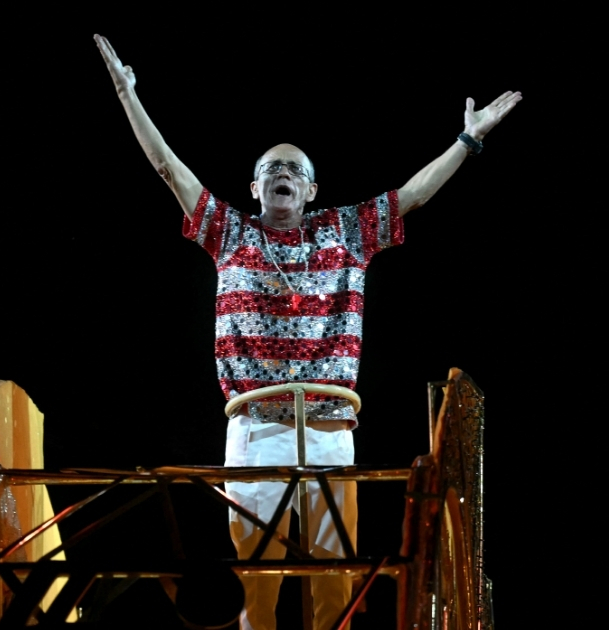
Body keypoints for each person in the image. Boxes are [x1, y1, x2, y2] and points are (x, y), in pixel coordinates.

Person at [94, 34, 520, 630]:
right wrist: (127, 95)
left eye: (295, 170)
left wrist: (468, 140)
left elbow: (416, 192)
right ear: (255, 189)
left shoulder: (346, 233)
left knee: (334, 575)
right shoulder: (230, 234)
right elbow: (168, 166)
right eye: (271, 170)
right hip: (255, 427)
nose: (283, 175)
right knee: (255, 577)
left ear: (312, 189)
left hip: (326, 426)